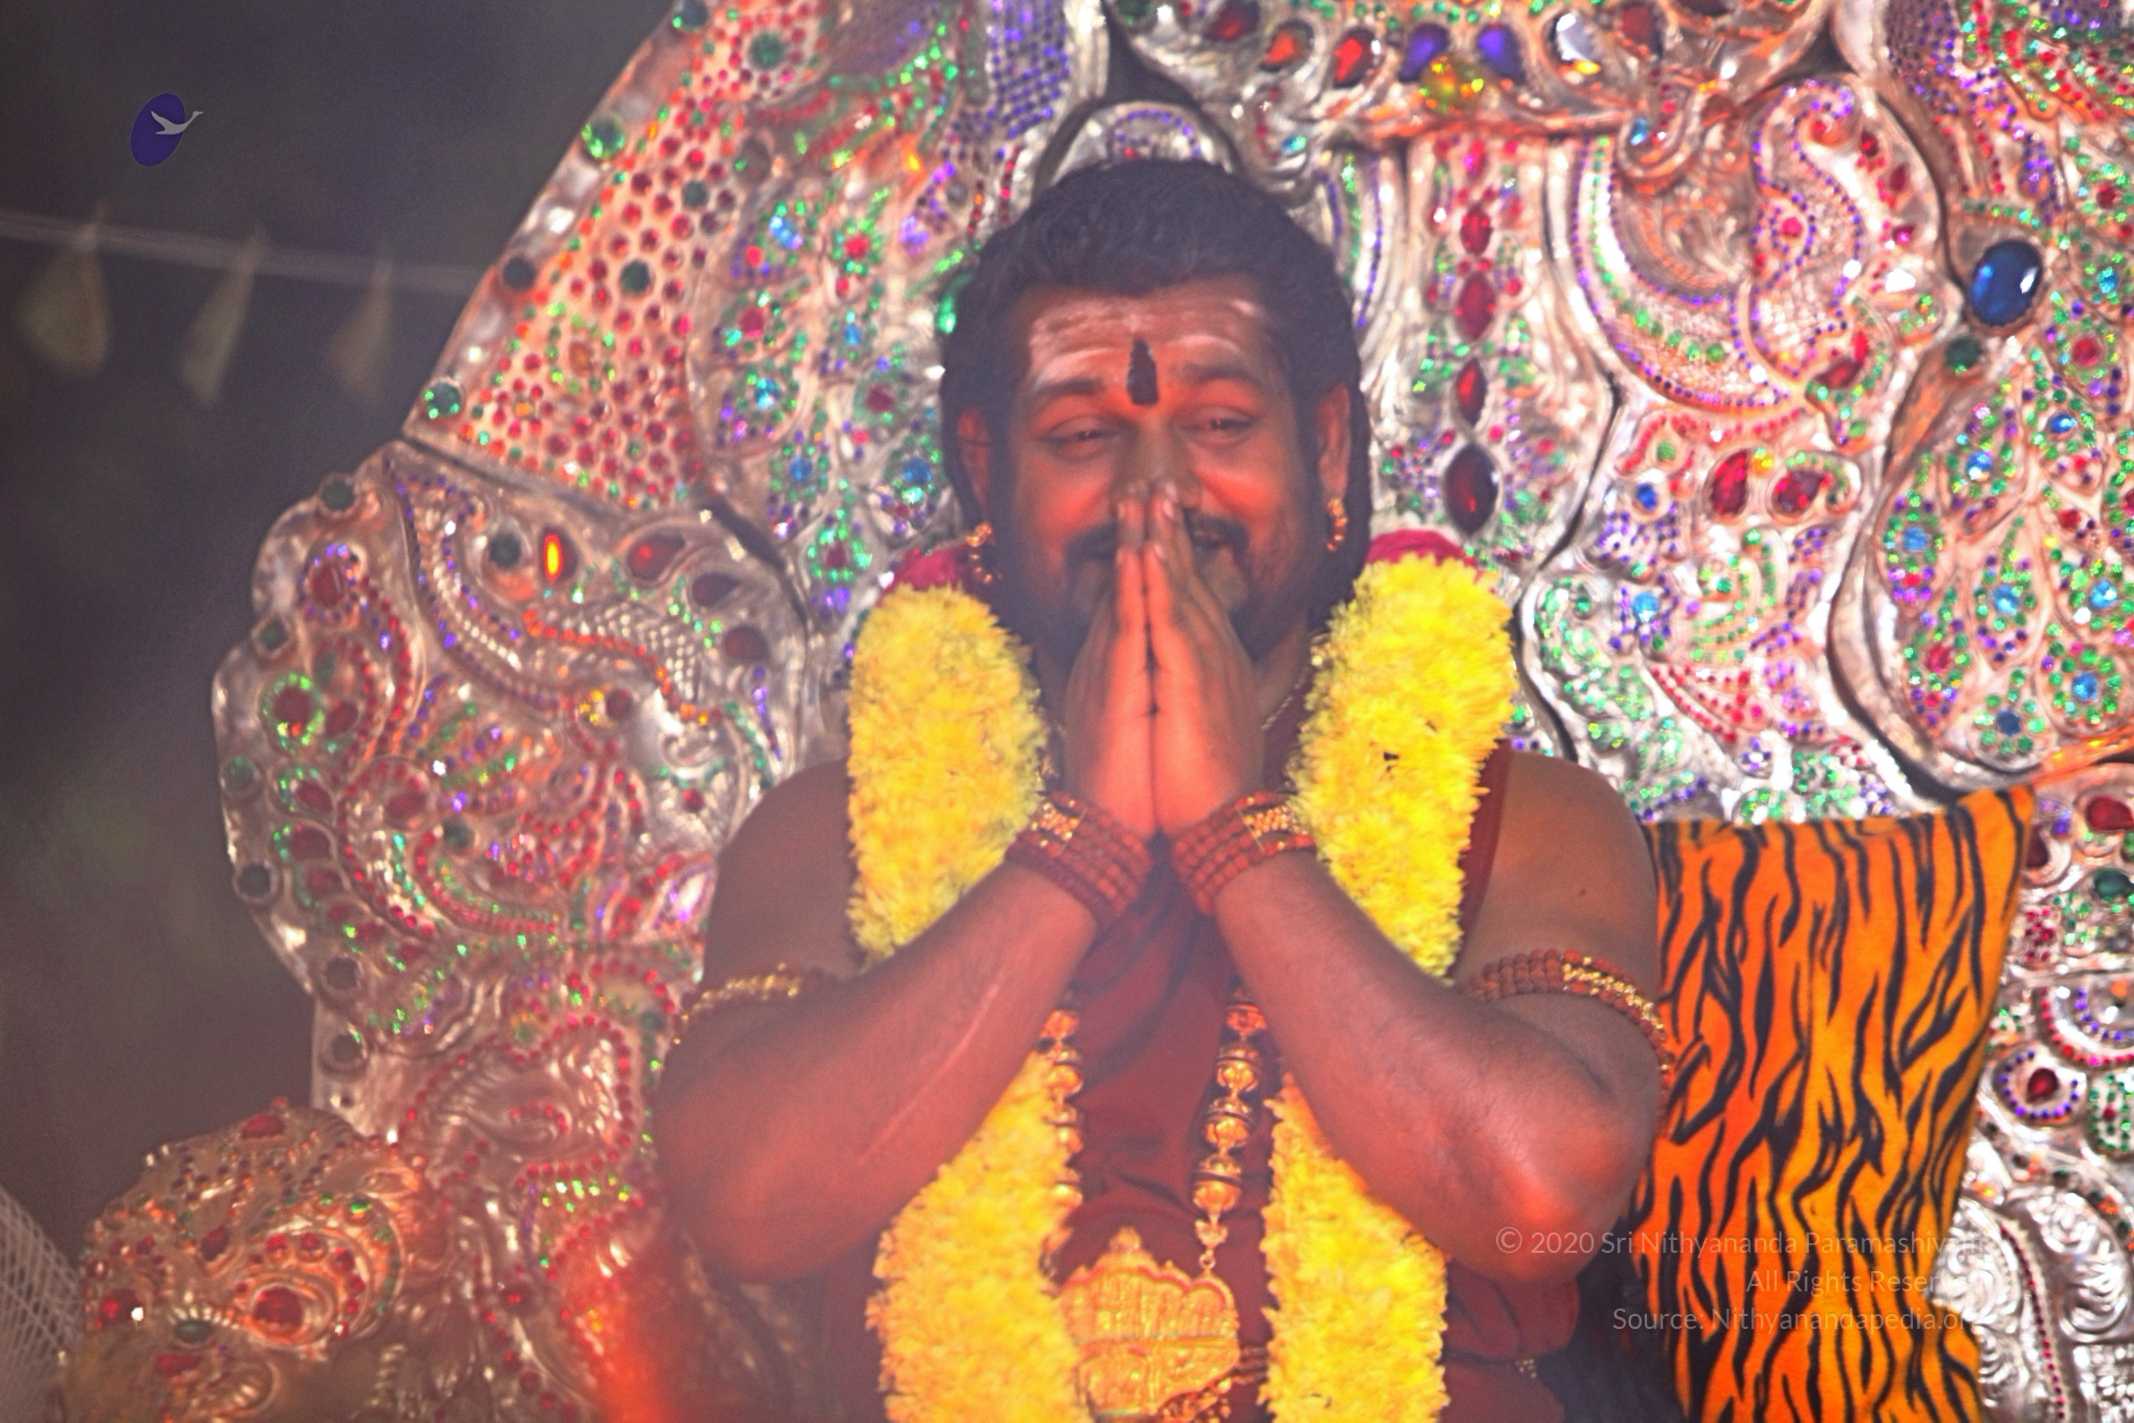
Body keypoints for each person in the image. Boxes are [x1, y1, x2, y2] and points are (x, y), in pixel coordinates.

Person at [652, 157, 1677, 1422]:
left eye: (1220, 424)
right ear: (984, 470)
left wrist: (1234, 836)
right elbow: (745, 1206)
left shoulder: (1517, 819)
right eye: (1082, 435)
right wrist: (1074, 848)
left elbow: (1537, 1198)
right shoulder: (836, 830)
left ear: (1326, 451)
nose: (1154, 491)